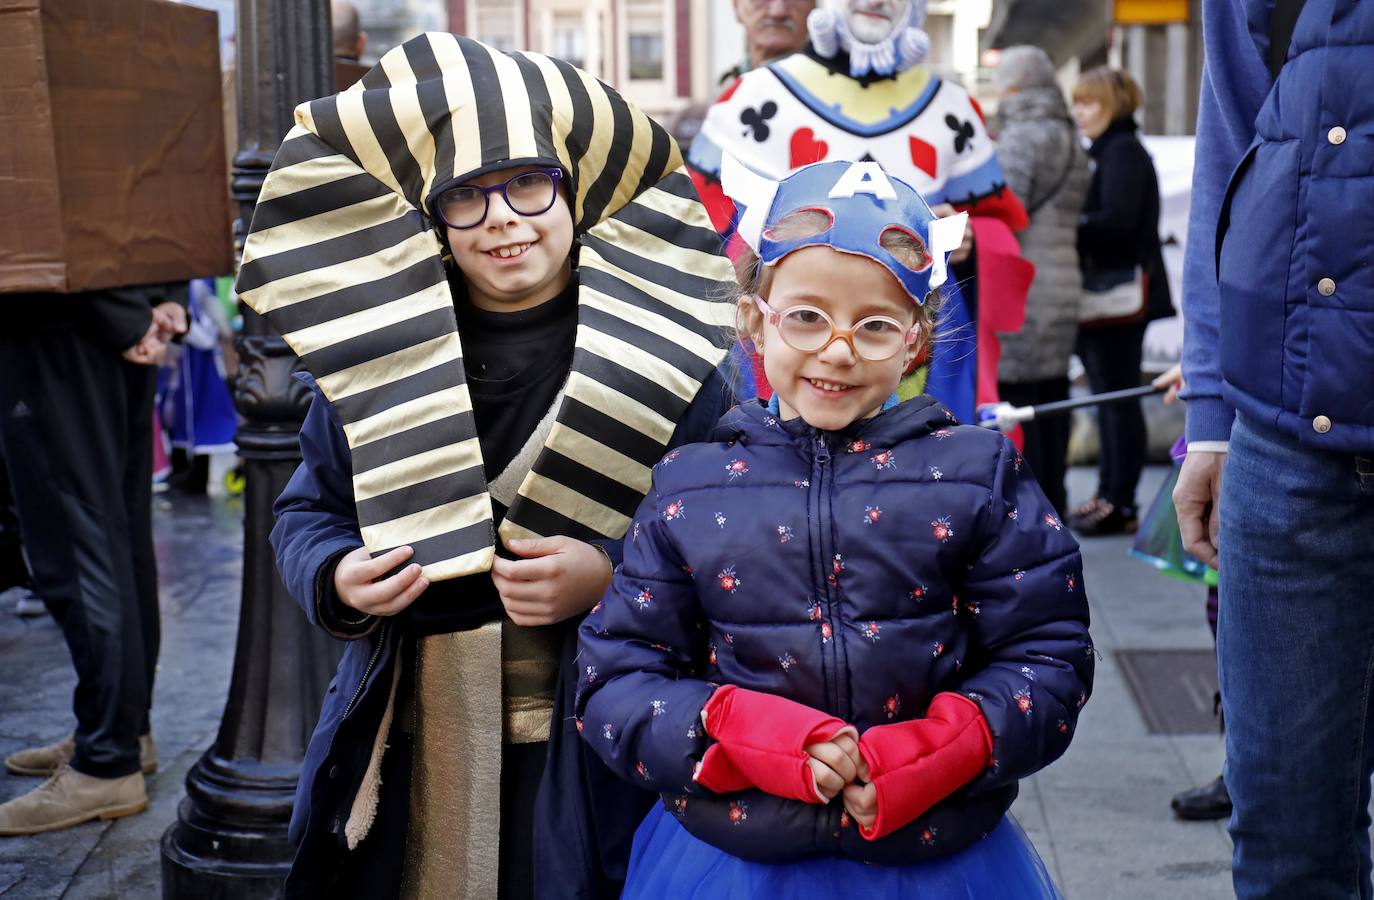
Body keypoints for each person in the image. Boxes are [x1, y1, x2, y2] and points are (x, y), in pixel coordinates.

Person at [247, 34, 738, 900]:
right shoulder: (377, 355)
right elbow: (305, 512)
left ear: (573, 189)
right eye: (466, 197)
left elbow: (735, 539)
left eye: (526, 183)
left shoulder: (674, 359)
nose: (503, 217)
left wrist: (610, 576)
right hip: (411, 732)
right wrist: (336, 576)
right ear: (432, 218)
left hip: (601, 743)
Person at [576, 158, 1093, 899]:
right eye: (807, 316)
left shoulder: (977, 475)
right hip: (736, 862)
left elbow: (1048, 654)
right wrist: (734, 734)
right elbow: (615, 677)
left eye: (875, 325)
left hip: (935, 859)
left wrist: (946, 748)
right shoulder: (689, 486)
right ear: (754, 319)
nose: (839, 348)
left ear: (916, 340)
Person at [1175, 0, 1373, 895]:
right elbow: (1233, 139)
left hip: (1286, 431)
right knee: (1288, 844)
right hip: (1286, 437)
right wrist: (1209, 413)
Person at [687, 0, 1032, 424]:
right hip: (782, 355)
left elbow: (998, 227)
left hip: (919, 356)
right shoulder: (754, 96)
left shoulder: (952, 110)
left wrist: (973, 239)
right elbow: (697, 230)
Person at [0, 286, 180, 834]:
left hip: (60, 320)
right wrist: (150, 306)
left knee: (77, 547)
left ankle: (107, 760)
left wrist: (126, 316)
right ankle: (125, 729)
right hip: (108, 314)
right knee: (117, 541)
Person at [1070, 67, 1172, 536]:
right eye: (1077, 103)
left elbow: (1117, 222)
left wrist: (1069, 227)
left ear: (1113, 104)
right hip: (1114, 297)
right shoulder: (1109, 151)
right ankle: (1111, 494)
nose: (1080, 112)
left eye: (1089, 103)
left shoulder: (1121, 152)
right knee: (1110, 397)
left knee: (1117, 399)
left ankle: (1120, 500)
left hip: (1120, 297)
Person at [992, 46, 1090, 518]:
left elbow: (1005, 209)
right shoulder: (1070, 135)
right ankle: (1057, 495)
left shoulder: (1021, 136)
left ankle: (1030, 505)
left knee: (1021, 398)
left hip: (1023, 282)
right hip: (1063, 279)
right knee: (1053, 391)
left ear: (1012, 87)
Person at [719, 0, 815, 84]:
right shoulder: (724, 91)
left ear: (813, 7)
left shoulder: (827, 92)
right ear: (736, 6)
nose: (777, 12)